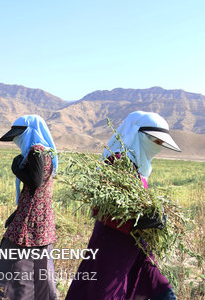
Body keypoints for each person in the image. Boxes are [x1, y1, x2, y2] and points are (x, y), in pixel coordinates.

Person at [65, 111, 181, 300]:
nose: (158, 147)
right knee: (106, 290)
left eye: (161, 143)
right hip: (112, 244)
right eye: (156, 141)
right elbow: (100, 208)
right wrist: (140, 221)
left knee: (151, 284)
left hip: (135, 244)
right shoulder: (117, 162)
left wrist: (154, 217)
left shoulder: (138, 168)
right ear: (139, 136)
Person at [0, 115, 59, 300]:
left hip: (31, 220)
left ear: (29, 133)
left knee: (15, 262)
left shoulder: (37, 151)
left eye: (19, 135)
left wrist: (17, 169)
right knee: (40, 264)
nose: (16, 141)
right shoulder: (46, 152)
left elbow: (34, 182)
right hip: (39, 217)